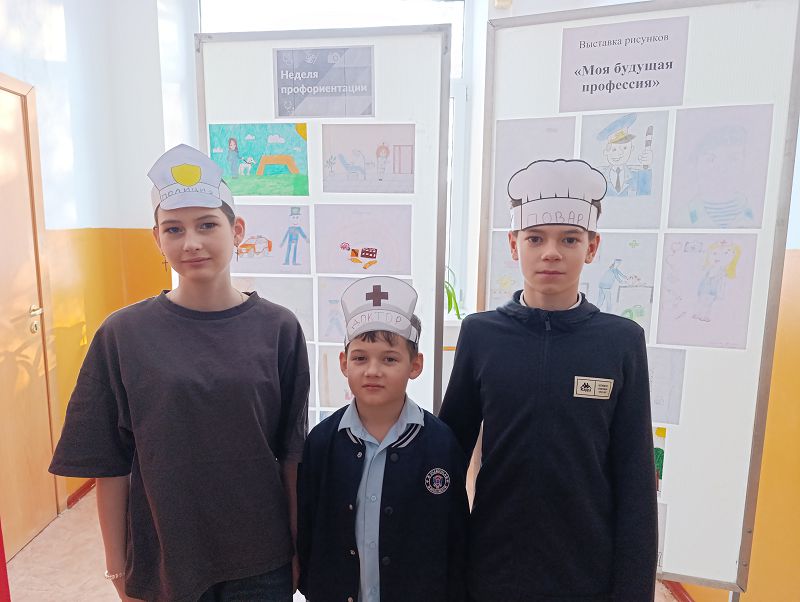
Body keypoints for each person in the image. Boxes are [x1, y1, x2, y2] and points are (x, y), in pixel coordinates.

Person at [49, 144, 309, 602]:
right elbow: (109, 464)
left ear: (237, 230)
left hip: (259, 557)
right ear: (157, 239)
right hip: (166, 558)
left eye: (207, 225)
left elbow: (291, 454)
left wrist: (296, 546)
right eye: (174, 229)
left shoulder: (278, 329)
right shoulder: (123, 334)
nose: (191, 242)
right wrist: (118, 567)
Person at [439, 158, 658, 601]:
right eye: (535, 238)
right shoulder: (481, 334)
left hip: (586, 572)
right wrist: (441, 566)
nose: (551, 252)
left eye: (569, 238)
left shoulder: (620, 341)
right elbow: (448, 453)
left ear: (592, 247)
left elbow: (635, 477)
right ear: (514, 244)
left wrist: (632, 590)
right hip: (493, 566)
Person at [298, 276, 468, 602]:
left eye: (389, 359)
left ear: (415, 365)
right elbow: (308, 528)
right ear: (344, 363)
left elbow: (456, 536)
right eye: (360, 358)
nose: (373, 370)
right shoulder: (322, 442)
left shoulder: (441, 444)